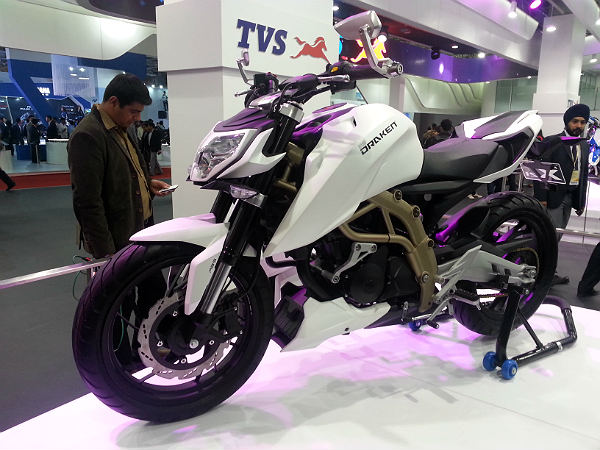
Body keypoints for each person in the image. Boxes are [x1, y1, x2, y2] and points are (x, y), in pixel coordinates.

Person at [67, 73, 171, 259]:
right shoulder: (88, 135)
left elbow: (128, 168)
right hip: (118, 240)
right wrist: (106, 252)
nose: (138, 118)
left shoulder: (123, 126)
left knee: (152, 278)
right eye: (133, 111)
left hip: (140, 228)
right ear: (114, 102)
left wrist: (147, 183)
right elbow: (87, 201)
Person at [533, 103, 591, 286]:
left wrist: (581, 201)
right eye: (575, 121)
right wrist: (541, 198)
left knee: (557, 236)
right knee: (549, 236)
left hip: (571, 197)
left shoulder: (584, 145)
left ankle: (546, 271)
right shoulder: (553, 141)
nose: (579, 126)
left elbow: (583, 175)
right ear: (567, 122)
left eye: (582, 122)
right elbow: (540, 171)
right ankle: (540, 273)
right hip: (552, 197)